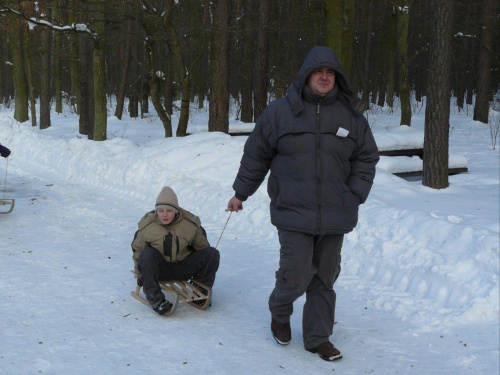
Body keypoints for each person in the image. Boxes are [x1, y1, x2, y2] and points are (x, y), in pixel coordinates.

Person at [227, 46, 379, 361]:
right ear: (306, 75)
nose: (324, 77)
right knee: (296, 274)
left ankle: (317, 338)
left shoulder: (351, 116)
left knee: (325, 277)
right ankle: (280, 311)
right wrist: (241, 193)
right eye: (318, 71)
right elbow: (257, 156)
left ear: (336, 77)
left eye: (330, 72)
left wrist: (354, 194)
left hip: (336, 213)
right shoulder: (279, 112)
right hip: (293, 211)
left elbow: (366, 158)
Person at [132, 186, 220, 315]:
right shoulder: (147, 226)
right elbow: (138, 252)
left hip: (183, 267)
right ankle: (156, 299)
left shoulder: (189, 224)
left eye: (169, 210)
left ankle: (199, 291)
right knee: (147, 253)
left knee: (212, 253)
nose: (165, 214)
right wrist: (139, 274)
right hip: (161, 270)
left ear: (176, 210)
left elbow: (203, 248)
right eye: (161, 210)